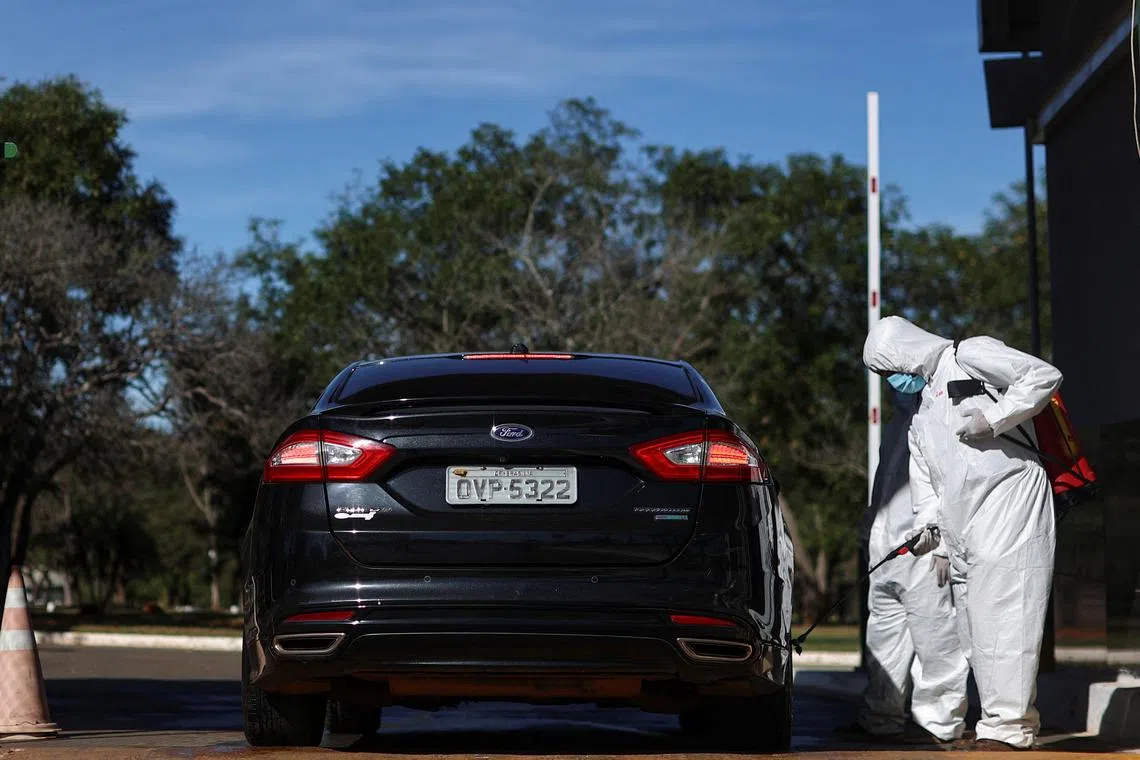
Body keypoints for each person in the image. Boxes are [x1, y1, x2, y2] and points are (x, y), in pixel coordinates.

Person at [862, 315, 1063, 752]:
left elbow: (1042, 375)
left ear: (903, 348)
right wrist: (926, 530)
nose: (894, 377)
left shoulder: (969, 354)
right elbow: (927, 484)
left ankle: (1010, 727)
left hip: (1009, 504)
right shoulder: (921, 418)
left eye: (889, 365)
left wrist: (993, 419)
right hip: (963, 525)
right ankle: (996, 724)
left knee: (1008, 617)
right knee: (976, 631)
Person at [853, 384, 970, 744]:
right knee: (883, 640)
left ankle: (939, 725)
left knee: (936, 641)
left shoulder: (940, 418)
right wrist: (870, 524)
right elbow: (884, 480)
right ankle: (880, 717)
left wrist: (944, 547)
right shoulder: (896, 423)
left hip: (923, 549)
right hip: (886, 549)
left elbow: (949, 485)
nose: (893, 383)